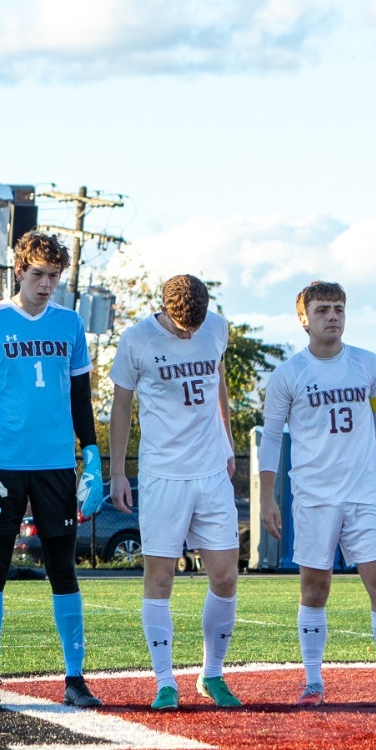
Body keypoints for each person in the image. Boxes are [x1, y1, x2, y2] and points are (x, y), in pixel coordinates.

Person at [256, 281, 376, 705]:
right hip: (314, 497)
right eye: (322, 309)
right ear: (304, 319)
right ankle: (313, 683)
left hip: (363, 495)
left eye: (338, 308)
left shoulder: (366, 363)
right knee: (315, 588)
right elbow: (271, 439)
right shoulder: (288, 375)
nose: (332, 316)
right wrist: (267, 496)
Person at [0, 231, 105, 709]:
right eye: (39, 274)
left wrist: (92, 454)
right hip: (2, 465)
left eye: (54, 276)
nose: (46, 284)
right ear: (19, 270)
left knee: (63, 570)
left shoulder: (69, 323)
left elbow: (81, 396)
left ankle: (75, 678)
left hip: (56, 465)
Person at [108, 275, 243, 710]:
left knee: (225, 575)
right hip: (163, 474)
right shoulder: (137, 340)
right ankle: (165, 682)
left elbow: (219, 380)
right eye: (183, 327)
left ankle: (212, 674)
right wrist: (117, 472)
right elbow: (121, 406)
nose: (189, 334)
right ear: (165, 309)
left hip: (211, 472)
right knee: (160, 577)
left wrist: (228, 440)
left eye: (195, 327)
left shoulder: (216, 327)